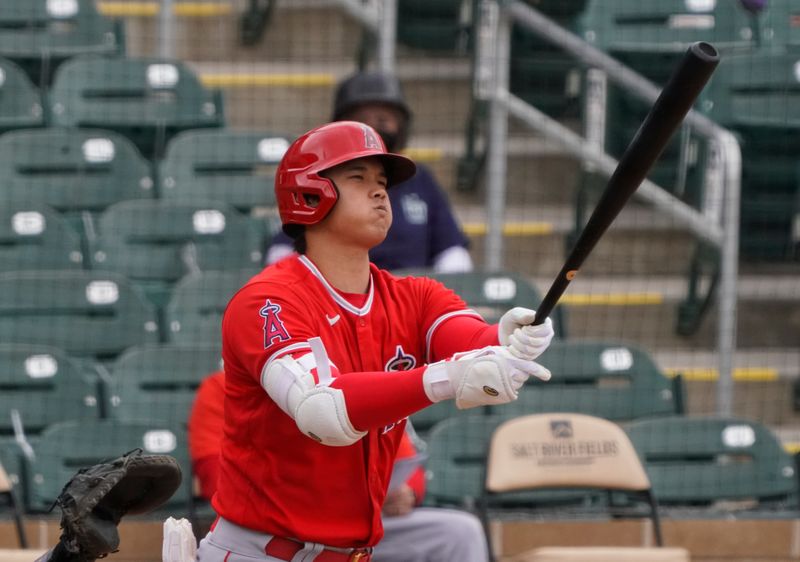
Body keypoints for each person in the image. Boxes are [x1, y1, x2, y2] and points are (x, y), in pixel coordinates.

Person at [195, 120, 554, 561]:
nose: (381, 191)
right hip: (260, 553)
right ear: (309, 194)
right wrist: (445, 377)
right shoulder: (267, 301)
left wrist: (509, 340)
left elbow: (474, 345)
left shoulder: (416, 295)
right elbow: (321, 410)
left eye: (382, 181)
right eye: (358, 178)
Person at [189, 370, 489, 561]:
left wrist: (406, 493)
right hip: (283, 533)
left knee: (460, 531)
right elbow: (217, 481)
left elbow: (408, 468)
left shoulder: (359, 382)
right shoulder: (222, 389)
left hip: (366, 527)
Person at [266, 71, 473, 273]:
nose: (376, 124)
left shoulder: (419, 177)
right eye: (357, 177)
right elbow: (283, 252)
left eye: (385, 117)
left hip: (410, 299)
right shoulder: (324, 176)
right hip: (339, 296)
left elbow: (453, 252)